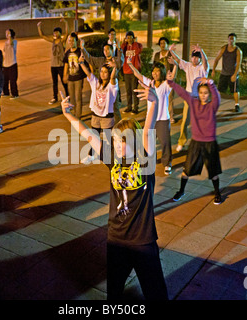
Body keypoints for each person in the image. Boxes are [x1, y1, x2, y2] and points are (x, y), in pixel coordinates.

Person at [59, 79, 168, 300]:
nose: (117, 145)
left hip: (142, 239)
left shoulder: (144, 161)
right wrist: (69, 115)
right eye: (116, 140)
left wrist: (153, 104)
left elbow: (147, 131)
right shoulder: (113, 159)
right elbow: (89, 135)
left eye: (123, 141)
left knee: (155, 293)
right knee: (114, 292)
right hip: (116, 238)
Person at [168, 75, 223, 205]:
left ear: (209, 94)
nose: (203, 95)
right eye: (201, 93)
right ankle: (181, 191)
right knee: (186, 169)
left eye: (206, 93)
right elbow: (182, 92)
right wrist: (171, 82)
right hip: (196, 142)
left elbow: (217, 98)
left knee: (213, 171)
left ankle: (217, 193)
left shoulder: (212, 106)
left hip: (210, 143)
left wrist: (211, 83)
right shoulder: (193, 103)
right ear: (198, 93)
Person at [127, 57, 176, 175]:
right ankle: (146, 161)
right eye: (154, 71)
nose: (155, 73)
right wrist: (130, 64)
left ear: (162, 73)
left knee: (165, 143)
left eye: (157, 71)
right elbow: (138, 75)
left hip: (163, 119)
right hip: (151, 119)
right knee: (146, 142)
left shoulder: (165, 85)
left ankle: (167, 163)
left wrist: (175, 66)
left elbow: (172, 78)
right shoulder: (149, 83)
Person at [168, 43, 209, 152]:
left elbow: (206, 63)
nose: (194, 59)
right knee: (185, 120)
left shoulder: (202, 68)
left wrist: (202, 51)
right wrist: (171, 50)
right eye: (193, 56)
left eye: (197, 57)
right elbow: (178, 59)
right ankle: (181, 142)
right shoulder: (188, 66)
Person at [78, 54, 118, 164]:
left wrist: (115, 67)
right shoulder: (95, 82)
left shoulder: (112, 85)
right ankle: (91, 155)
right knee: (94, 136)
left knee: (108, 138)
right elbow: (88, 73)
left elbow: (114, 78)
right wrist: (81, 63)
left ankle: (111, 156)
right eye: (101, 71)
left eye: (105, 72)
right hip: (96, 114)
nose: (103, 74)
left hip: (107, 116)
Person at [80, 38, 123, 123]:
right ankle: (106, 126)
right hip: (102, 88)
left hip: (112, 89)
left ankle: (120, 127)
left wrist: (119, 49)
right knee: (103, 107)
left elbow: (121, 62)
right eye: (104, 50)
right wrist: (82, 48)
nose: (105, 51)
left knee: (115, 109)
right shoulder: (101, 61)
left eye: (107, 49)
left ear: (112, 50)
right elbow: (90, 59)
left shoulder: (115, 60)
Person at [37, 19, 69, 104]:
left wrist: (66, 23)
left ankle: (68, 96)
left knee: (64, 82)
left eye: (57, 32)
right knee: (54, 83)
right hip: (53, 65)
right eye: (54, 32)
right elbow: (42, 36)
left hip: (61, 65)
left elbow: (67, 33)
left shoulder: (62, 41)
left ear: (60, 33)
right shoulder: (53, 41)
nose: (55, 34)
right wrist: (39, 27)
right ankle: (55, 97)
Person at [212, 33, 242, 112]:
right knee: (219, 90)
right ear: (228, 39)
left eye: (233, 39)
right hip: (224, 73)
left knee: (235, 90)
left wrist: (235, 74)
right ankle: (215, 104)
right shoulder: (223, 49)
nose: (231, 40)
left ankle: (237, 105)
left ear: (235, 40)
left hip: (233, 74)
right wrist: (213, 70)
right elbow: (216, 59)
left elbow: (238, 64)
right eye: (230, 38)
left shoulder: (238, 51)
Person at [63, 32, 88, 119]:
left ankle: (78, 116)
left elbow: (85, 62)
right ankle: (74, 113)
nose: (70, 42)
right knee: (72, 98)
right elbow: (66, 64)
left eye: (72, 41)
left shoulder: (80, 52)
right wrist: (64, 75)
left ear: (76, 41)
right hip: (70, 78)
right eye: (69, 41)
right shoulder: (67, 53)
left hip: (78, 78)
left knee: (78, 97)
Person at [153, 37, 177, 123]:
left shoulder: (170, 54)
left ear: (167, 44)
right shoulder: (156, 55)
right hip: (159, 79)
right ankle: (158, 114)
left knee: (169, 98)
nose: (162, 45)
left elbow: (175, 65)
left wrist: (173, 77)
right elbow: (154, 67)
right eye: (161, 43)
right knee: (159, 97)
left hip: (168, 79)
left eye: (164, 43)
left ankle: (170, 116)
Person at [121, 31, 143, 114]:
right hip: (126, 71)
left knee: (134, 90)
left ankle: (136, 108)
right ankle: (129, 107)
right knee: (128, 90)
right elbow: (121, 52)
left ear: (133, 38)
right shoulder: (125, 46)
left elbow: (137, 52)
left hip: (134, 71)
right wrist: (124, 43)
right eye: (127, 37)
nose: (129, 39)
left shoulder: (137, 45)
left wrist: (136, 42)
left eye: (131, 37)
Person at [2, 28, 19, 99]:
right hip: (5, 64)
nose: (6, 34)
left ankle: (15, 94)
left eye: (8, 33)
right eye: (6, 33)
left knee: (12, 81)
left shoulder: (14, 41)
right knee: (4, 80)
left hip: (12, 64)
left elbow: (11, 43)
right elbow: (4, 51)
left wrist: (10, 36)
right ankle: (6, 93)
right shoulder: (5, 43)